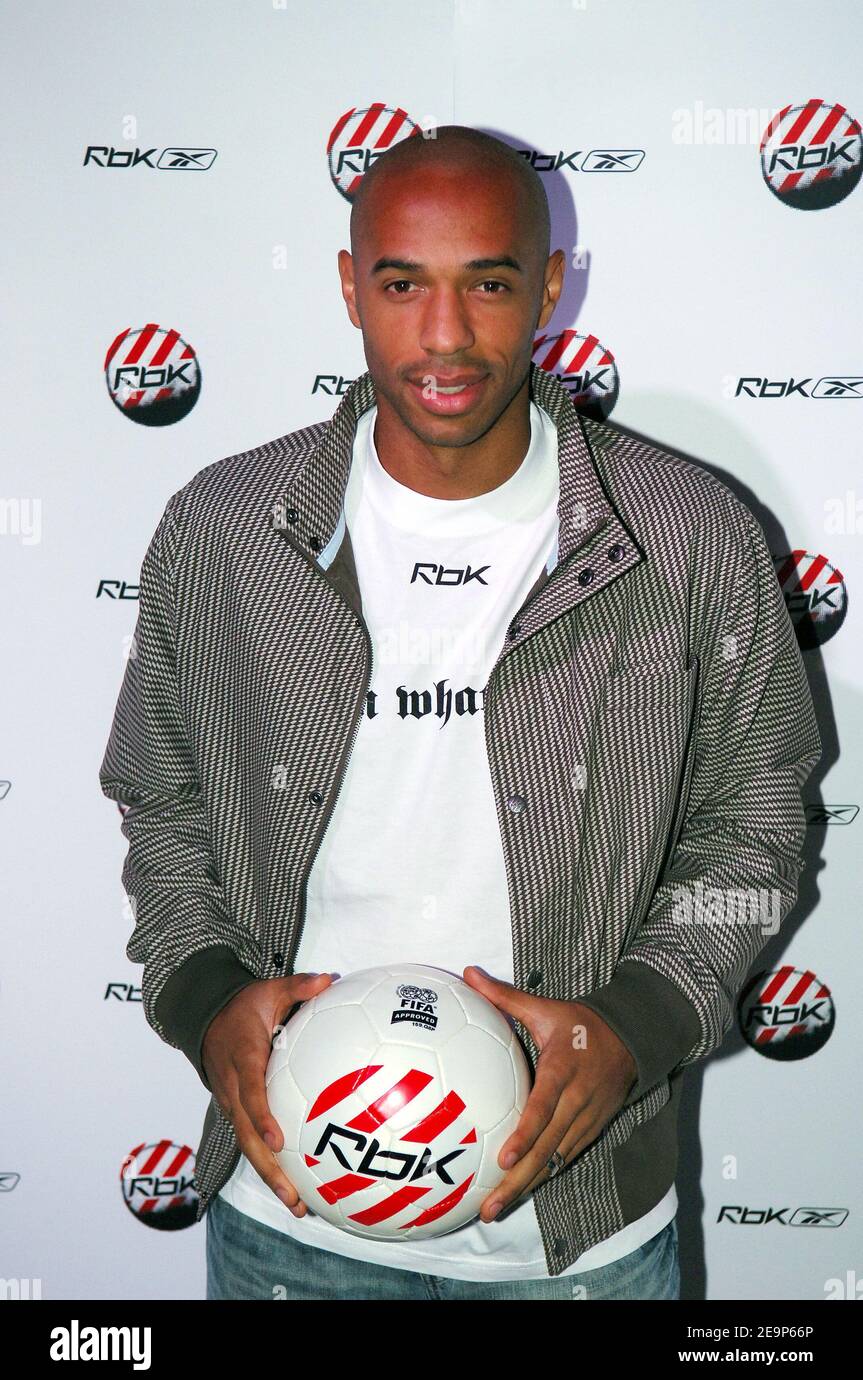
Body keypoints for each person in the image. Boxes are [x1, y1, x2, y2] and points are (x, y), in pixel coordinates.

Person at [99, 125, 822, 1301]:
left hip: (577, 1229)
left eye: (487, 283)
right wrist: (200, 991)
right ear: (348, 285)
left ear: (546, 285)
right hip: (287, 1216)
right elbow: (161, 795)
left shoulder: (687, 538)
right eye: (401, 284)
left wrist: (639, 1018)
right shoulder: (224, 528)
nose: (444, 337)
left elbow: (754, 829)